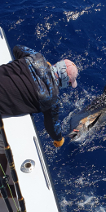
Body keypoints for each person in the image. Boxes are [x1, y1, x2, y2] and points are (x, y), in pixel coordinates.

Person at [0, 45, 78, 195]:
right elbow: (51, 125)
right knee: (3, 146)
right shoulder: (53, 99)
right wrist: (59, 139)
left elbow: (17, 48)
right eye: (69, 84)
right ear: (64, 81)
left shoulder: (36, 57)